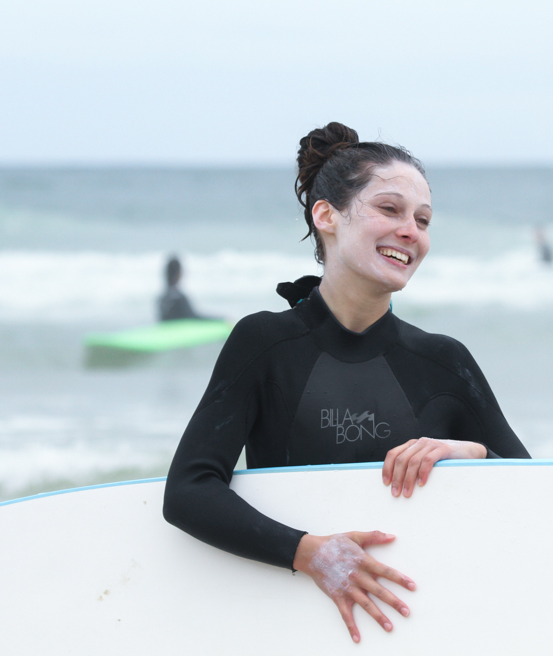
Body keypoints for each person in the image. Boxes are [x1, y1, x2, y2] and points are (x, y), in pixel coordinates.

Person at [162, 122, 530, 644]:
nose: (412, 231)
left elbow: (535, 494)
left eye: (423, 220)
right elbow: (188, 491)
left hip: (422, 631)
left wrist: (469, 453)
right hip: (291, 631)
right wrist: (309, 553)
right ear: (326, 215)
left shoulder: (445, 361)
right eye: (390, 209)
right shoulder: (265, 345)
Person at [157, 255, 212, 321]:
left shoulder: (161, 299)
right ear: (178, 274)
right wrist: (219, 319)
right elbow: (194, 318)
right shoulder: (179, 298)